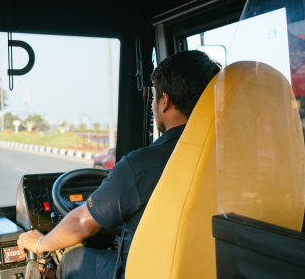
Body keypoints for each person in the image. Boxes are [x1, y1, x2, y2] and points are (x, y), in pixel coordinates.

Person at [16, 50, 221, 279]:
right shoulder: (228, 156)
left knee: (73, 258)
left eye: (154, 97)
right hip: (207, 269)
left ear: (165, 102)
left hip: (147, 272)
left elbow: (82, 223)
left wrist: (41, 242)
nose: (154, 104)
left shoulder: (142, 165)